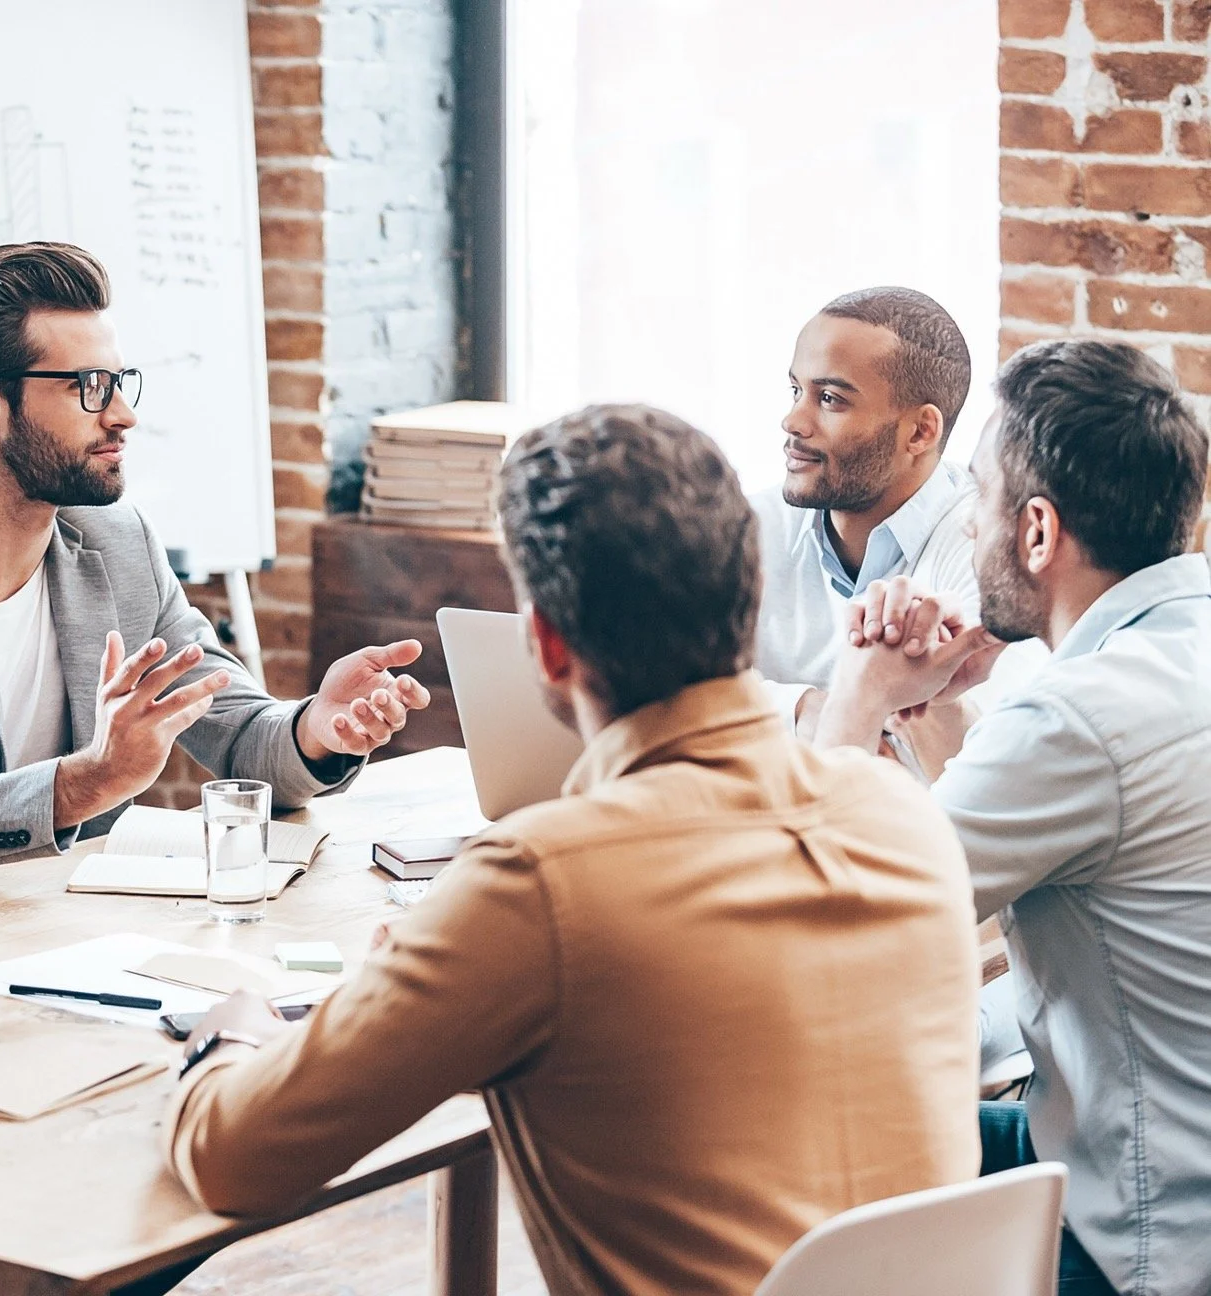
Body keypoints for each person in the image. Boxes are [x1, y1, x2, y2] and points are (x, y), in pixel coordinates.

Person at [161, 404, 982, 1295]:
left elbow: (231, 1159)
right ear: (745, 607)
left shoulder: (543, 884)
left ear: (546, 645)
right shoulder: (906, 821)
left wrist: (230, 1037)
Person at [0, 242, 429, 886]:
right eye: (88, 387)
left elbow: (239, 735)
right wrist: (89, 783)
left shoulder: (118, 544)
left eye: (118, 382)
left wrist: (317, 729)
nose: (123, 415)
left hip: (66, 941)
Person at [811, 338, 1211, 1296]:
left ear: (1035, 530)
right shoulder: (1164, 660)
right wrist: (942, 710)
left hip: (1151, 1232)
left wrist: (858, 696)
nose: (967, 524)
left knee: (790, 1129)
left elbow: (825, 922)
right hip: (1162, 1148)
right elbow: (1026, 847)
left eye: (977, 495)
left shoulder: (1075, 719)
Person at [755, 287, 979, 774]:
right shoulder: (747, 530)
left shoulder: (985, 551)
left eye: (830, 399)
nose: (792, 421)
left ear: (920, 432)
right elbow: (673, 699)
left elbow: (981, 771)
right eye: (796, 391)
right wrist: (803, 710)